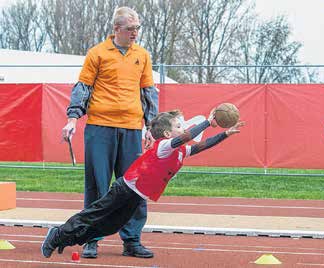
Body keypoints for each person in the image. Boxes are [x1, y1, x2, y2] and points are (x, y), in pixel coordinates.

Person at [41, 109, 244, 258]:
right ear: (166, 134)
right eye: (179, 126)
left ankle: (64, 239)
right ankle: (57, 234)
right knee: (92, 215)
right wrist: (208, 122)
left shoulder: (182, 151)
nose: (184, 128)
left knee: (109, 226)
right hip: (124, 189)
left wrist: (225, 134)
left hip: (136, 196)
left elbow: (202, 145)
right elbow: (187, 137)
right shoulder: (164, 146)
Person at [61, 6, 158, 259]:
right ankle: (91, 238)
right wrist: (72, 119)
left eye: (137, 28)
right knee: (98, 186)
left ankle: (132, 240)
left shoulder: (143, 55)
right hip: (99, 128)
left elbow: (148, 93)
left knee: (134, 186)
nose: (135, 33)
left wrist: (151, 127)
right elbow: (83, 87)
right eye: (130, 29)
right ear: (116, 29)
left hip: (131, 129)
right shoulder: (97, 53)